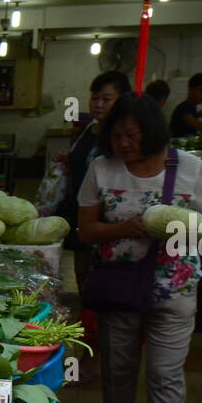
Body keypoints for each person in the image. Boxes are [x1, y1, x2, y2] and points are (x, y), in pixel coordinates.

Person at [77, 93, 202, 403]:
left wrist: (191, 232)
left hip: (174, 287)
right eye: (117, 134)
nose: (124, 143)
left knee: (165, 376)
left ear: (153, 131)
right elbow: (86, 230)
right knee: (118, 372)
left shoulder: (191, 168)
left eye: (133, 134)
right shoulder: (100, 169)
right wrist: (130, 227)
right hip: (119, 287)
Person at [61, 71, 131, 288]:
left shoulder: (124, 138)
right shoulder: (89, 130)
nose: (98, 104)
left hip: (109, 223)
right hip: (82, 216)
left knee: (104, 283)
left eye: (106, 99)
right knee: (83, 279)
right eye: (95, 97)